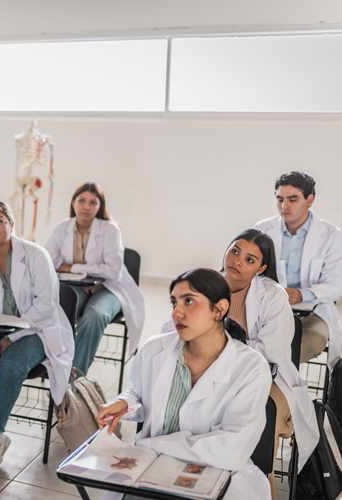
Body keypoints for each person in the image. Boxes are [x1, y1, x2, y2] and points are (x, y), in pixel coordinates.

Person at [162, 229, 318, 499]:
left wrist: (215, 343)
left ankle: (253, 476)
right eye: (235, 251)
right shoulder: (204, 284)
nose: (237, 261)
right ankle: (178, 469)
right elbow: (171, 329)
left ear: (262, 268)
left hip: (264, 377)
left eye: (249, 259)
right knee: (175, 401)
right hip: (206, 369)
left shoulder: (273, 296)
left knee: (256, 412)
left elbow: (273, 350)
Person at [98, 268, 273, 500]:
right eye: (173, 303)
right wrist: (124, 402)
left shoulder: (251, 368)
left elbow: (230, 448)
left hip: (217, 478)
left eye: (189, 301)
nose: (177, 312)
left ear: (219, 309)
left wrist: (153, 446)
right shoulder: (154, 350)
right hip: (150, 473)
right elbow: (139, 392)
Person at [0, 201, 74, 479]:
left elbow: (46, 306)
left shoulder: (36, 255)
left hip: (38, 330)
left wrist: (16, 336)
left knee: (11, 363)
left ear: (12, 224)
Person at [44, 181, 145, 373]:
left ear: (100, 207)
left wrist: (72, 266)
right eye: (82, 200)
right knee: (60, 309)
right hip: (76, 287)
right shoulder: (61, 228)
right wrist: (92, 268)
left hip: (109, 288)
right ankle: (55, 365)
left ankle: (75, 376)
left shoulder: (110, 230)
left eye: (93, 202)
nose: (86, 207)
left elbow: (113, 271)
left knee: (95, 315)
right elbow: (50, 262)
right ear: (73, 202)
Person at [254, 171, 342, 369]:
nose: (284, 206)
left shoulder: (331, 235)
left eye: (292, 199)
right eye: (280, 199)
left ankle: (275, 393)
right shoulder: (261, 230)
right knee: (250, 344)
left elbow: (335, 285)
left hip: (312, 314)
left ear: (309, 200)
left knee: (302, 345)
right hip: (266, 311)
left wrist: (301, 295)